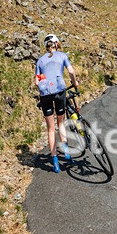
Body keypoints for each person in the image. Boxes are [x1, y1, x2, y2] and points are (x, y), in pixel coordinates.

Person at [35, 34, 78, 173]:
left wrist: (47, 81)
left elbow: (37, 81)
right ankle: (66, 154)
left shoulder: (40, 61)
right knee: (61, 123)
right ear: (56, 43)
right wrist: (74, 82)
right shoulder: (62, 55)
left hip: (45, 94)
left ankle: (55, 162)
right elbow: (71, 71)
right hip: (59, 91)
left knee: (50, 129)